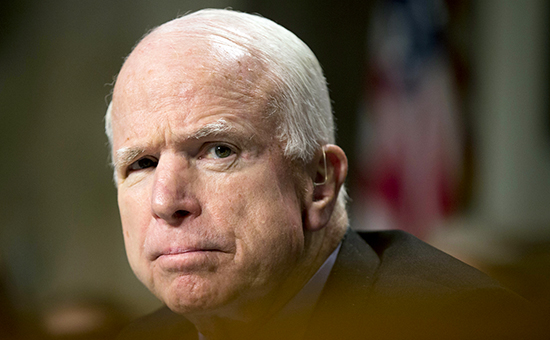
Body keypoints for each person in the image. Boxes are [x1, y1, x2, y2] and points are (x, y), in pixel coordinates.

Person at [106, 9, 545, 340]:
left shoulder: (466, 325)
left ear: (319, 181)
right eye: (141, 164)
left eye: (219, 151)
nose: (167, 202)